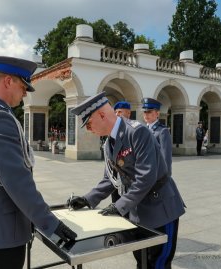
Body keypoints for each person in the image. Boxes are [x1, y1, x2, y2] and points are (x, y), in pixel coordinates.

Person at [0, 56, 76, 269]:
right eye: (24, 86)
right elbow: (17, 182)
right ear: (8, 81)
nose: (25, 92)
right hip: (0, 231)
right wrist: (51, 224)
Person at [68, 92, 185, 269]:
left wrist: (118, 206)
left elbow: (146, 177)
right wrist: (87, 199)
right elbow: (109, 179)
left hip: (160, 207)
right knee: (141, 259)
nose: (88, 129)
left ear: (101, 115)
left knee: (158, 262)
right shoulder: (108, 144)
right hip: (137, 210)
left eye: (89, 123)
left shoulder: (137, 132)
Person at [142, 98, 172, 176]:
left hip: (156, 174)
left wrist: (166, 177)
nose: (146, 114)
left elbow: (166, 157)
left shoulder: (162, 131)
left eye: (149, 112)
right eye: (144, 112)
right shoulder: (143, 129)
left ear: (157, 114)